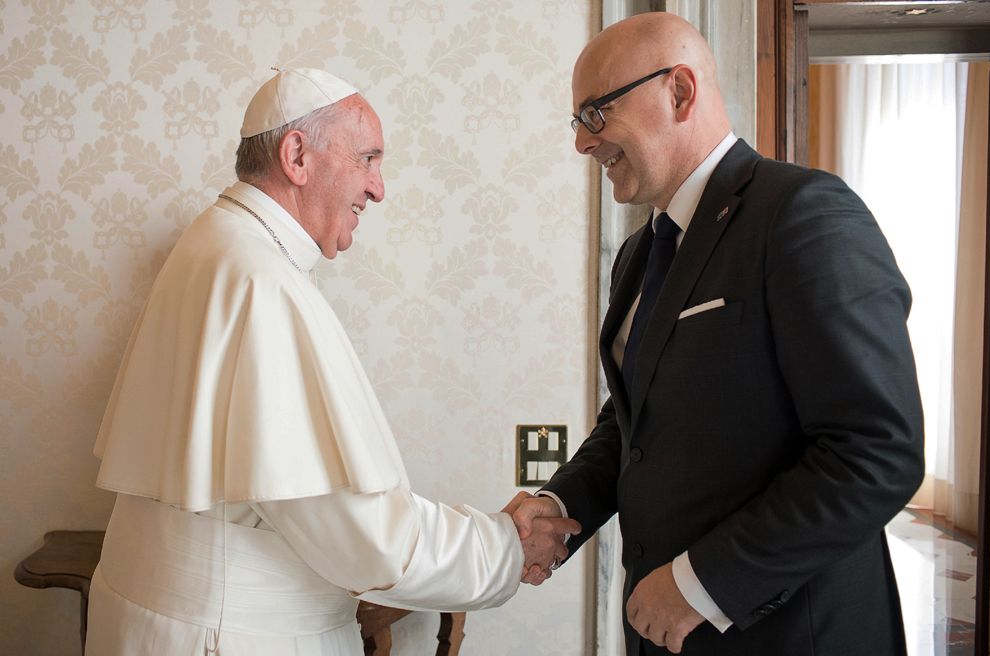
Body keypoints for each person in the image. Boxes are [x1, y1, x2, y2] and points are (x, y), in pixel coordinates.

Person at [87, 68, 579, 656]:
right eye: (368, 159)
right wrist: (502, 547)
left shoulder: (217, 242)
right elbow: (363, 536)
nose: (378, 189)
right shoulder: (259, 282)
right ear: (296, 155)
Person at [508, 13, 924, 656]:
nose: (582, 144)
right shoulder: (637, 255)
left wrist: (702, 584)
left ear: (679, 91)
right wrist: (560, 505)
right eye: (577, 122)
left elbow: (875, 453)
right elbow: (632, 426)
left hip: (792, 636)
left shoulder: (805, 215)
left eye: (595, 113)